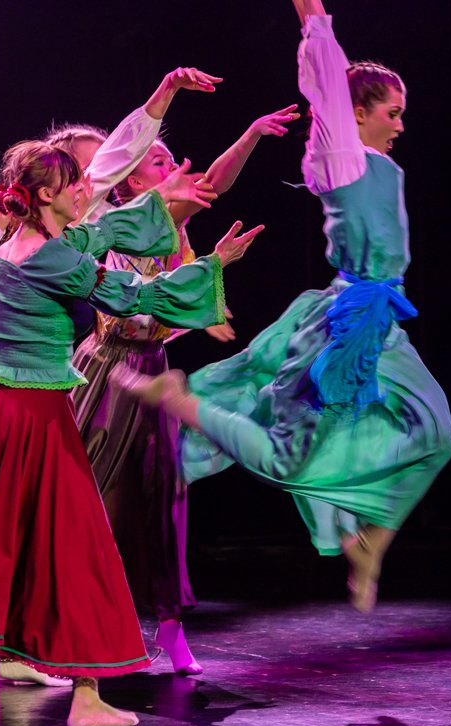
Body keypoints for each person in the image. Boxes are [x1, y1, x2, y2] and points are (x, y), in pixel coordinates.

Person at [0, 139, 262, 726]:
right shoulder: (52, 258)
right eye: (75, 182)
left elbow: (94, 235)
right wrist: (213, 267)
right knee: (78, 543)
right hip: (27, 411)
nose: (86, 189)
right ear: (46, 193)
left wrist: (163, 202)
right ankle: (85, 699)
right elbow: (134, 296)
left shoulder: (29, 241)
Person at [118, 0, 451, 613]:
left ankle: (369, 543)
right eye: (393, 112)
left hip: (382, 321)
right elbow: (327, 77)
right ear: (357, 114)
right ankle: (182, 402)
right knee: (287, 457)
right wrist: (313, 14)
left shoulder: (377, 165)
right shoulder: (341, 158)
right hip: (346, 323)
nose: (401, 125)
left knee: (438, 435)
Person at [70, 104, 298, 675]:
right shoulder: (118, 224)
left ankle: (170, 627)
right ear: (131, 182)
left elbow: (214, 182)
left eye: (170, 157)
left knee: (163, 495)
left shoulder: (176, 223)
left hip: (153, 370)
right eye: (158, 160)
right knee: (92, 494)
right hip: (108, 370)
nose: (173, 165)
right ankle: (71, 621)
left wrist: (250, 133)